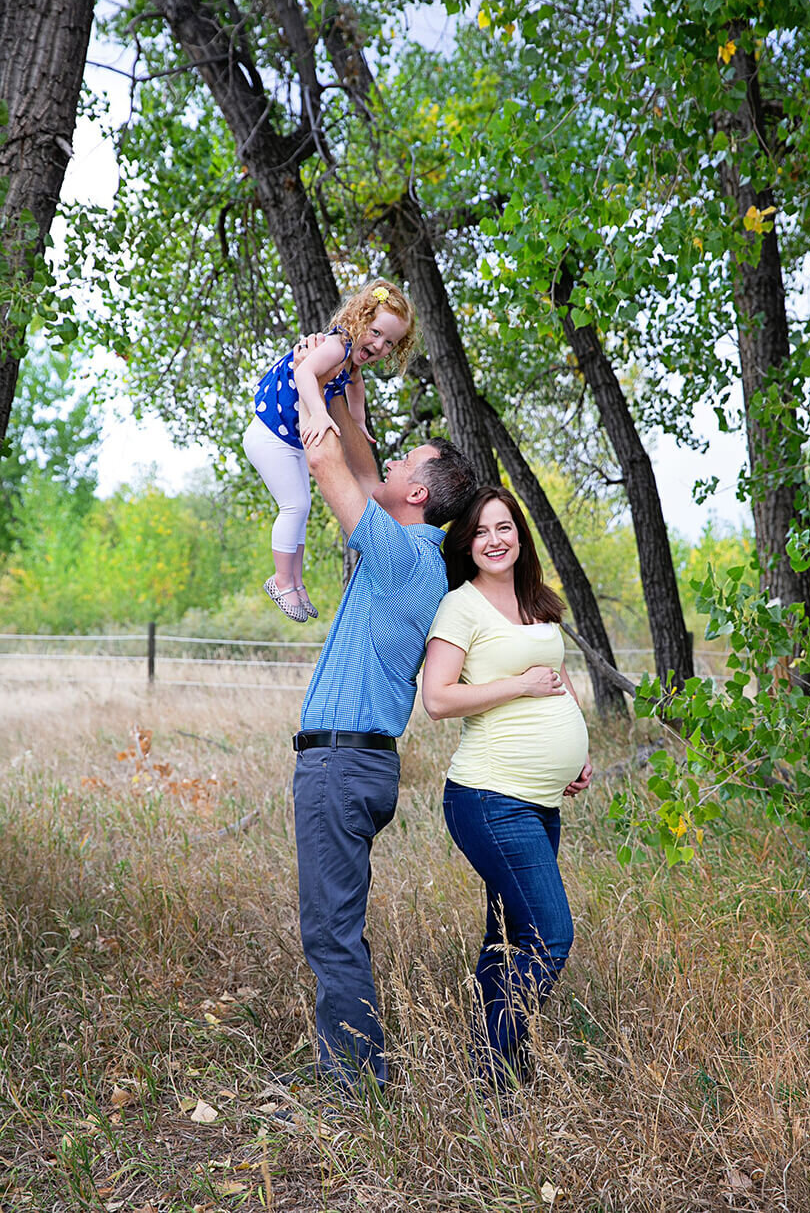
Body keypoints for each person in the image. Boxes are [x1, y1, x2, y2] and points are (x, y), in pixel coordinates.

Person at [290, 377, 478, 1094]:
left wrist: (307, 380)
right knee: (336, 922)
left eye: (406, 464)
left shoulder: (404, 559)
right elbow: (364, 468)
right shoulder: (410, 550)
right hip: (351, 764)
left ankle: (353, 1085)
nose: (391, 467)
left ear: (420, 496)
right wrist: (349, 398)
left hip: (340, 765)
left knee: (329, 932)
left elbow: (327, 466)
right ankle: (357, 1067)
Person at [421, 485, 592, 1093]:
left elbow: (560, 676)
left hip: (541, 801)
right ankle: (494, 1077)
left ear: (520, 535)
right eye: (481, 532)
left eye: (505, 528)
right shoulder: (460, 608)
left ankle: (500, 1073)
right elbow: (437, 699)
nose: (495, 541)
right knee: (550, 936)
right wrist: (518, 686)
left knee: (509, 938)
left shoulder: (537, 601)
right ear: (466, 544)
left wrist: (580, 753)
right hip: (489, 798)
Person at [243, 278, 416, 622]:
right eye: (377, 332)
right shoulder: (337, 345)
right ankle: (280, 579)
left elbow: (356, 387)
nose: (380, 345)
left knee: (301, 508)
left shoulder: (352, 362)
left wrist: (358, 422)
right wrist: (320, 412)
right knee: (294, 505)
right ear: (361, 320)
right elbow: (305, 370)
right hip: (267, 433)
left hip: (286, 439)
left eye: (390, 343)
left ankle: (294, 581)